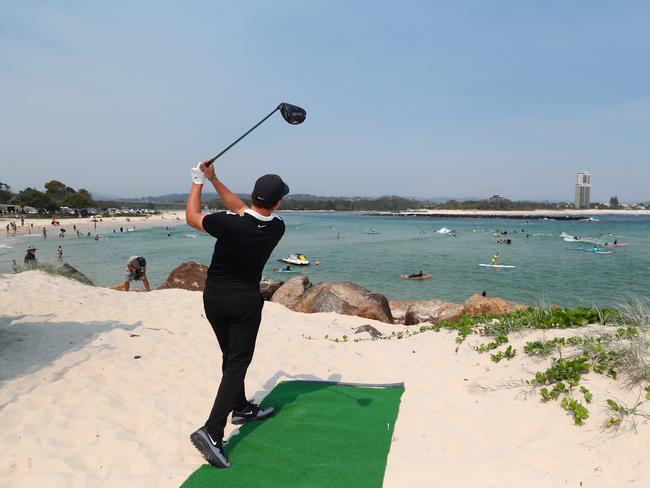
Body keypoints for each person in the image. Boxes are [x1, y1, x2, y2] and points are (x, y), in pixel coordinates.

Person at [186, 160, 288, 469]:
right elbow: (243, 209)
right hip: (244, 300)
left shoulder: (228, 223)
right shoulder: (276, 227)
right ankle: (212, 431)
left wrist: (199, 181)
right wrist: (213, 179)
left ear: (254, 196)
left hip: (214, 298)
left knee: (231, 356)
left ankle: (241, 406)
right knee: (237, 362)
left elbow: (192, 217)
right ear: (278, 202)